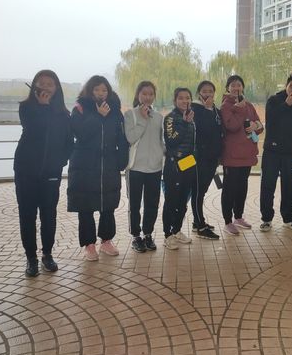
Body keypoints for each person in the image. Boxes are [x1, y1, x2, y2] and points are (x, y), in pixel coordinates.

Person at [14, 70, 73, 277]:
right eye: (42, 83)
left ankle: (47, 254)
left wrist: (60, 162)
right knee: (27, 215)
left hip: (51, 172)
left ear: (56, 88)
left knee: (49, 215)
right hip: (25, 170)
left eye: (50, 84)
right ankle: (31, 258)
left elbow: (69, 143)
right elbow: (33, 130)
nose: (46, 87)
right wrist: (42, 107)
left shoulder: (64, 114)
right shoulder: (26, 108)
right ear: (35, 85)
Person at [68, 75, 129, 261]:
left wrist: (122, 160)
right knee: (85, 207)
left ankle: (106, 241)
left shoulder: (115, 111)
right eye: (97, 90)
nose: (101, 93)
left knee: (108, 205)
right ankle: (89, 245)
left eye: (104, 90)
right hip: (84, 165)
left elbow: (122, 138)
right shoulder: (79, 109)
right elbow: (80, 133)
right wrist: (97, 116)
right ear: (89, 90)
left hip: (109, 164)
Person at [260, 72, 292, 232]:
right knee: (268, 185)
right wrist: (286, 105)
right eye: (291, 86)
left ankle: (288, 218)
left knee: (289, 187)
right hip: (271, 151)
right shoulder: (273, 100)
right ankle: (266, 219)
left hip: (289, 154)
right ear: (286, 85)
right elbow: (270, 122)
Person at [124, 81, 165, 252]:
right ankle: (136, 236)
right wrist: (142, 119)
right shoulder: (130, 115)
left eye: (151, 94)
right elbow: (130, 138)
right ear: (138, 95)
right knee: (134, 204)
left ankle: (148, 234)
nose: (148, 97)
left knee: (152, 204)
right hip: (135, 168)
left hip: (155, 168)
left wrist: (163, 154)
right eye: (144, 94)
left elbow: (162, 142)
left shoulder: (159, 117)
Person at [220, 75, 264, 235]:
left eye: (238, 85)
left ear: (242, 87)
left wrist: (255, 126)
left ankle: (238, 217)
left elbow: (260, 126)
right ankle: (227, 221)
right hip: (232, 156)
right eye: (232, 85)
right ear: (228, 88)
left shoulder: (249, 105)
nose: (236, 88)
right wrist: (238, 109)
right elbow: (231, 126)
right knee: (229, 189)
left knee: (242, 187)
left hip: (247, 153)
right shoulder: (225, 106)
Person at [162, 88, 197, 249]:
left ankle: (176, 230)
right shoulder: (170, 118)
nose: (185, 101)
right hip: (174, 164)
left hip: (188, 162)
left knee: (183, 200)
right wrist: (184, 123)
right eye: (181, 98)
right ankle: (167, 235)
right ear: (175, 100)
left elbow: (192, 142)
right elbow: (171, 140)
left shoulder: (191, 117)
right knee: (171, 200)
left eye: (187, 98)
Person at [190, 80, 222, 240]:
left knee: (202, 191)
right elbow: (203, 128)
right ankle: (200, 226)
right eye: (204, 91)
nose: (208, 93)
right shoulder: (194, 109)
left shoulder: (216, 110)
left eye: (211, 91)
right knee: (197, 192)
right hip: (199, 158)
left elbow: (219, 131)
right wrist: (208, 109)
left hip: (212, 158)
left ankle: (198, 221)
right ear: (199, 93)